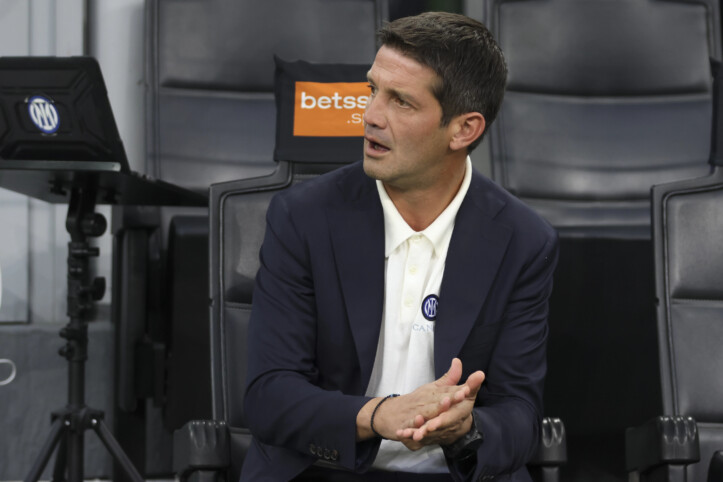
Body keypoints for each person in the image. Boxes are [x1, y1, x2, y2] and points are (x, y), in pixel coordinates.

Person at [242, 11, 558, 482]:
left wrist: (466, 429)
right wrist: (377, 415)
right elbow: (269, 395)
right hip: (324, 470)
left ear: (464, 130)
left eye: (401, 102)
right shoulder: (303, 217)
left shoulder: (523, 240)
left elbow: (520, 415)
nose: (370, 116)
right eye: (372, 90)